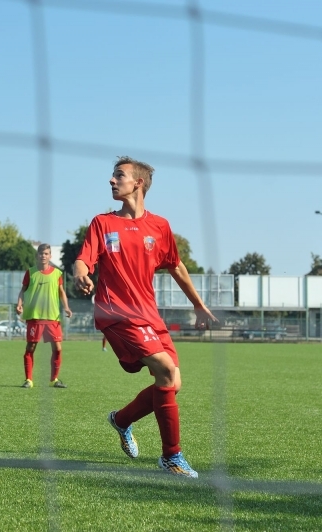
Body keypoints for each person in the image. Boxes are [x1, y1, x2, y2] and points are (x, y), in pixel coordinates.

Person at [73, 156, 217, 479]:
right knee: (165, 370)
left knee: (173, 383)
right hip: (116, 313)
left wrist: (198, 304)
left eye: (119, 175)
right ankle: (171, 457)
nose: (112, 181)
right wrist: (80, 274)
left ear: (138, 183)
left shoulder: (160, 226)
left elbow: (176, 266)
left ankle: (122, 420)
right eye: (112, 176)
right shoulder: (102, 223)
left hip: (149, 316)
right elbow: (82, 260)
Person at [16, 243, 73, 389]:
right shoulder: (30, 272)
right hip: (35, 316)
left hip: (52, 317)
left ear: (50, 256)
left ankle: (54, 380)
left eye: (46, 253)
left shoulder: (57, 274)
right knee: (30, 348)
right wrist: (19, 304)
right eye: (41, 253)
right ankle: (28, 380)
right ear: (37, 256)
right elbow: (23, 290)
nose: (43, 256)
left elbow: (61, 292)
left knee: (58, 348)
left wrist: (66, 307)